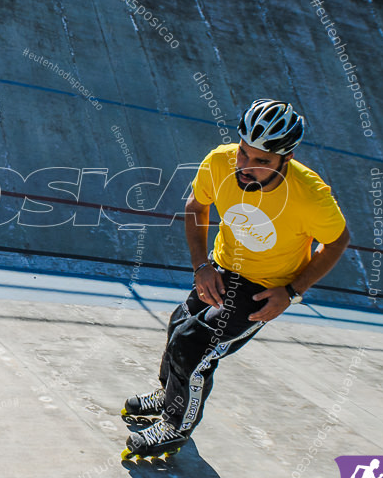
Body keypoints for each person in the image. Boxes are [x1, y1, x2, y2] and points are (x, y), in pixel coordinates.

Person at [121, 99, 351, 459]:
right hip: (222, 268)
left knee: (192, 345)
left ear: (285, 160)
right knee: (179, 322)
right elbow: (196, 207)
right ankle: (169, 395)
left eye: (262, 161)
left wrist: (292, 292)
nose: (246, 166)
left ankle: (175, 426)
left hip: (264, 289)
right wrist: (202, 266)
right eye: (244, 153)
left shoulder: (311, 197)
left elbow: (337, 241)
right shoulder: (220, 162)